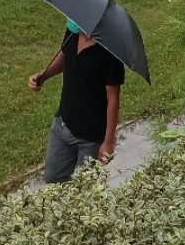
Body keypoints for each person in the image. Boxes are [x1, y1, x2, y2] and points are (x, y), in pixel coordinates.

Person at [29, 18, 125, 183]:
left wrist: (109, 142)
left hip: (90, 137)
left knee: (84, 189)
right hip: (63, 123)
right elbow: (64, 57)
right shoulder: (73, 34)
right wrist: (43, 76)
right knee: (52, 178)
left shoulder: (109, 53)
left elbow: (113, 99)